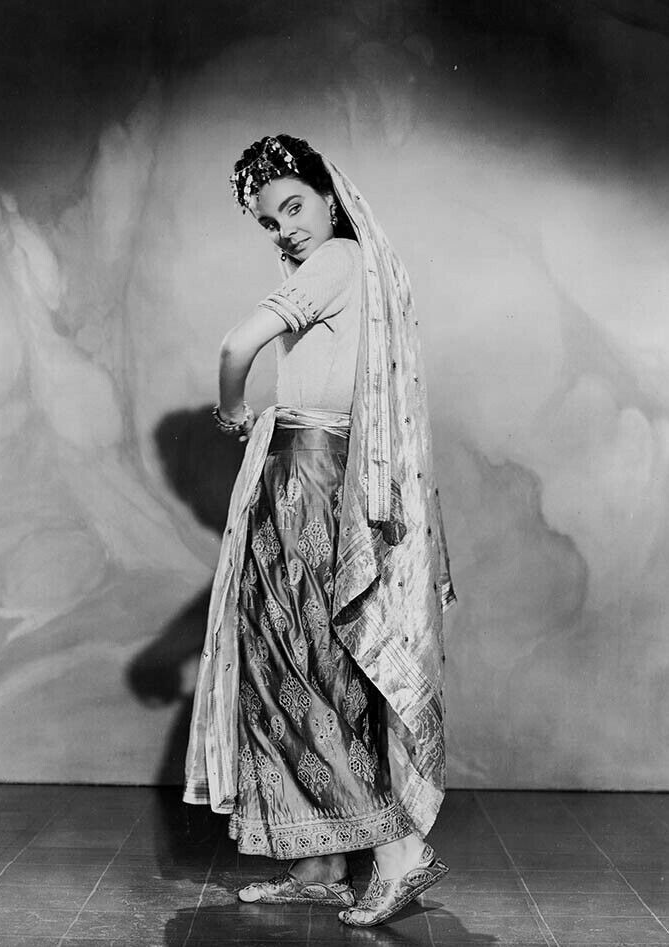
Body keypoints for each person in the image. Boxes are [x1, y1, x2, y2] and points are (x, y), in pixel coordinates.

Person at [183, 134, 456, 927]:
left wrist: (233, 411)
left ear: (330, 196)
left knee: (301, 670)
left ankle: (400, 854)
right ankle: (320, 862)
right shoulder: (344, 265)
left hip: (307, 479)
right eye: (270, 222)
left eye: (294, 206)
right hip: (313, 476)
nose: (286, 229)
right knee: (293, 665)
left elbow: (235, 346)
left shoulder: (335, 259)